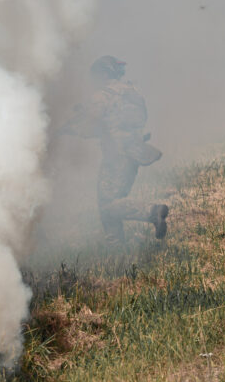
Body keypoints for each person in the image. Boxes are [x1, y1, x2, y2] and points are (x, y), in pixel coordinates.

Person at [60, 56, 169, 243]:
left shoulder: (102, 96)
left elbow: (86, 125)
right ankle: (115, 247)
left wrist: (63, 129)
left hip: (116, 155)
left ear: (103, 73)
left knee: (107, 204)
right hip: (135, 151)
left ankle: (152, 211)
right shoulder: (133, 92)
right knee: (112, 199)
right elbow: (126, 121)